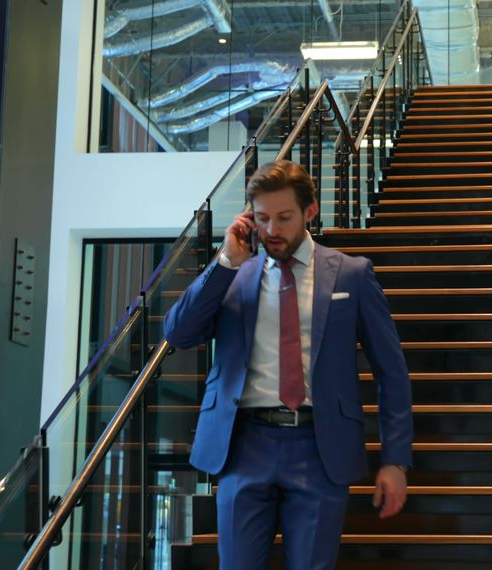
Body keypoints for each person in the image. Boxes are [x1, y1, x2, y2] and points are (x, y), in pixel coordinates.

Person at [164, 160, 414, 570]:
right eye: (261, 218)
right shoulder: (234, 274)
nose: (272, 231)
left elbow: (391, 371)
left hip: (320, 446)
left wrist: (394, 459)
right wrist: (226, 262)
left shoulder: (351, 275)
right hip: (243, 446)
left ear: (310, 212)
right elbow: (178, 333)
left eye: (284, 218)